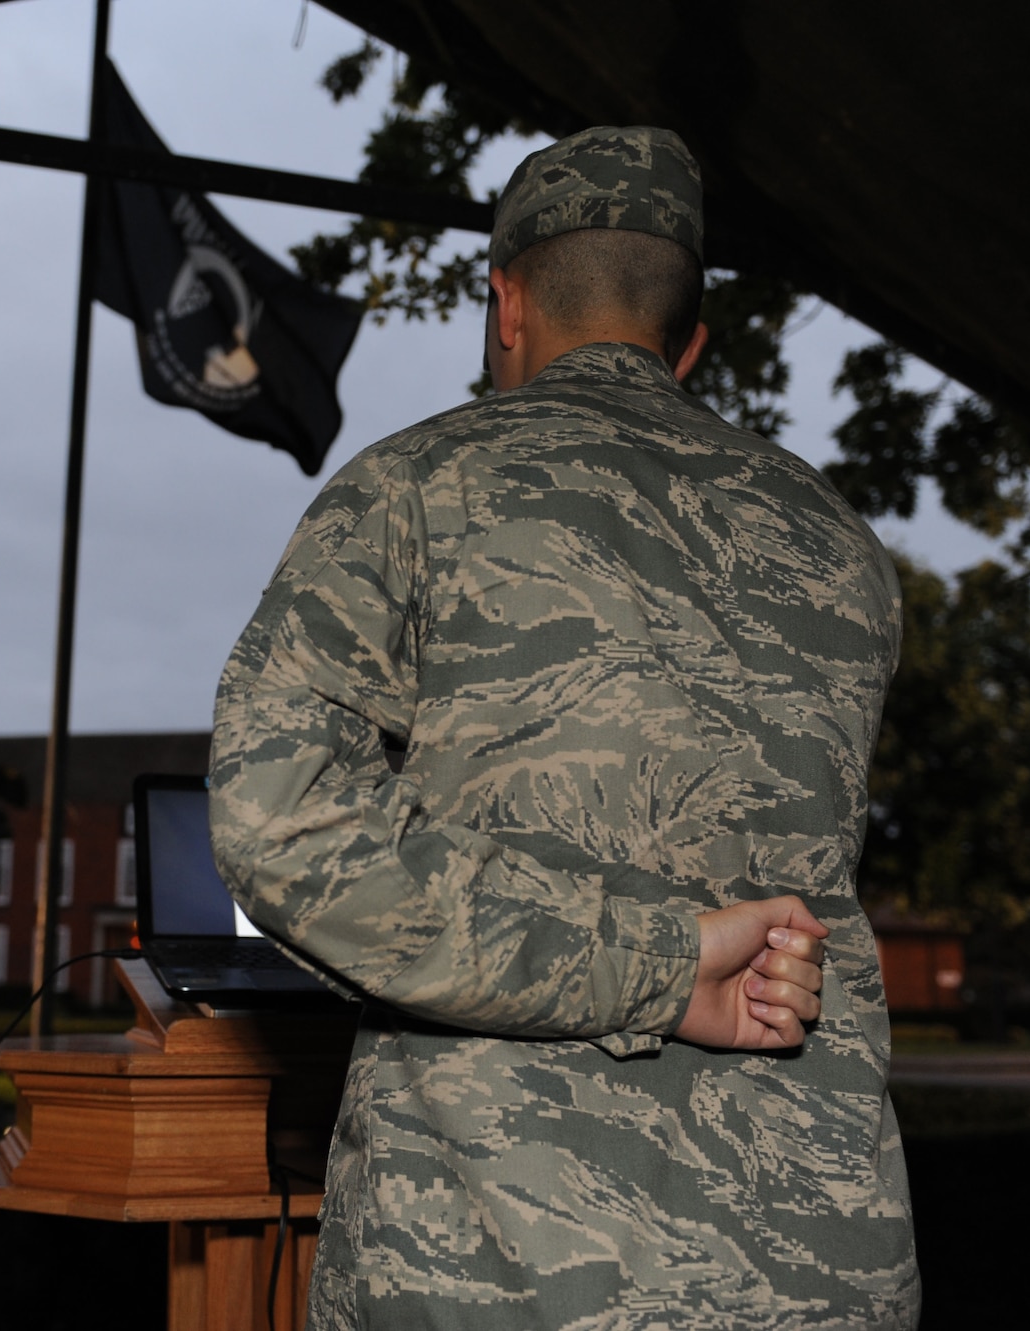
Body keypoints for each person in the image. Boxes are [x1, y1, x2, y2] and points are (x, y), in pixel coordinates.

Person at [208, 126, 920, 1328]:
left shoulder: (414, 486)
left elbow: (279, 817)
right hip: (815, 1264)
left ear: (504, 302)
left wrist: (648, 964)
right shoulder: (839, 544)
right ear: (688, 341)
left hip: (496, 1264)